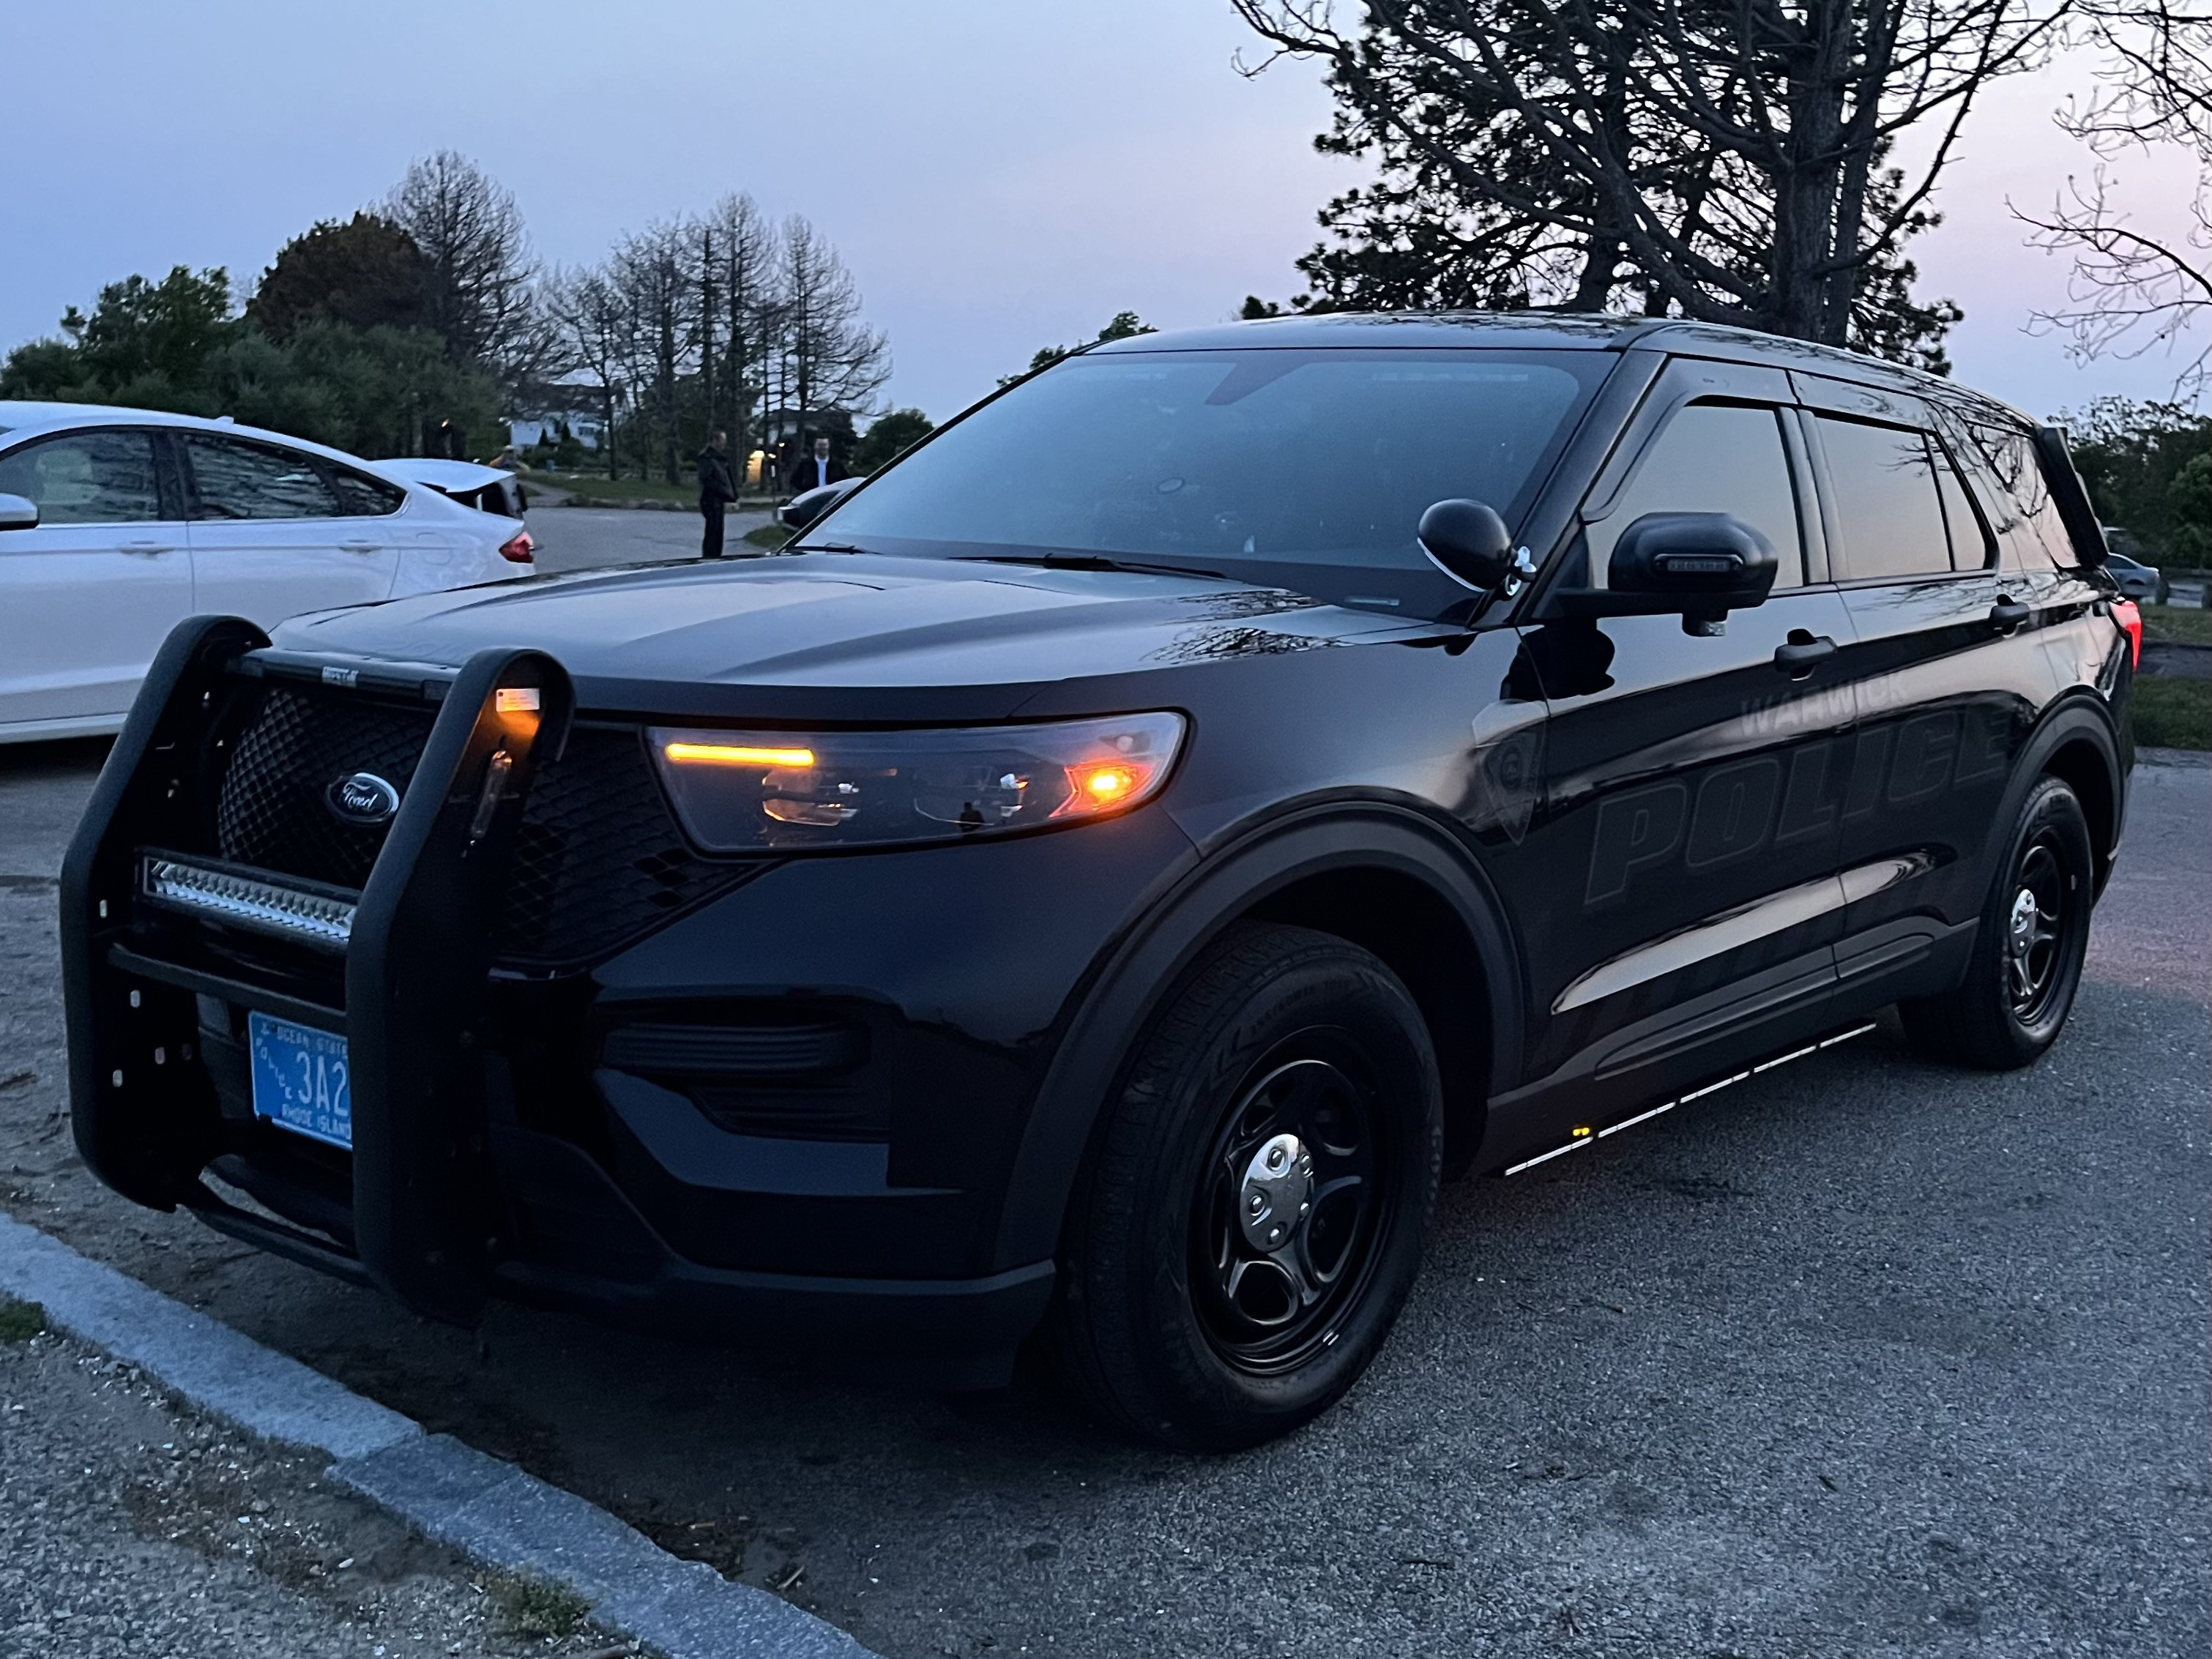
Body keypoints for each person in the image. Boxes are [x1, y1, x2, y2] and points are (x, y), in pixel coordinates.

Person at [696, 430, 737, 559]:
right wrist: (723, 491)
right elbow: (707, 479)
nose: (724, 444)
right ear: (715, 440)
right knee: (712, 532)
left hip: (719, 500)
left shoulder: (720, 459)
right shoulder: (707, 458)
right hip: (711, 500)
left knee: (718, 532)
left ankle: (716, 556)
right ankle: (709, 557)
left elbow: (727, 478)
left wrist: (732, 496)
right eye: (722, 441)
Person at [786, 433, 845, 497]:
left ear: (829, 446)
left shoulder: (836, 464)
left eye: (825, 445)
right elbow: (795, 480)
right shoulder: (805, 464)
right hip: (812, 498)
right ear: (815, 446)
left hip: (832, 498)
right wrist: (805, 490)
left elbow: (845, 480)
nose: (822, 447)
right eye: (820, 445)